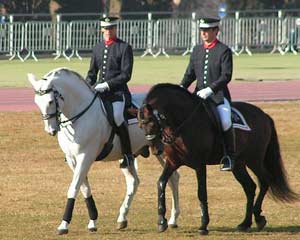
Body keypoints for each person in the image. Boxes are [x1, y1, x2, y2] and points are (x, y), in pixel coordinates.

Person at [180, 17, 235, 171]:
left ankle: (229, 156)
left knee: (225, 121)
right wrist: (181, 88)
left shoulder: (224, 50)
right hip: (197, 97)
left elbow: (226, 76)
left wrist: (210, 89)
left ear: (215, 31)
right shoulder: (196, 50)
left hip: (217, 97)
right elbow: (190, 74)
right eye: (202, 30)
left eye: (207, 30)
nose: (203, 33)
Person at [86, 16, 134, 168]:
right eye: (106, 28)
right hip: (100, 92)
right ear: (101, 30)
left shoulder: (124, 47)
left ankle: (127, 154)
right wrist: (86, 85)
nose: (108, 31)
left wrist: (107, 84)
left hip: (118, 93)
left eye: (111, 28)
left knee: (118, 116)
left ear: (116, 29)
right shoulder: (97, 48)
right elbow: (92, 73)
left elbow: (126, 75)